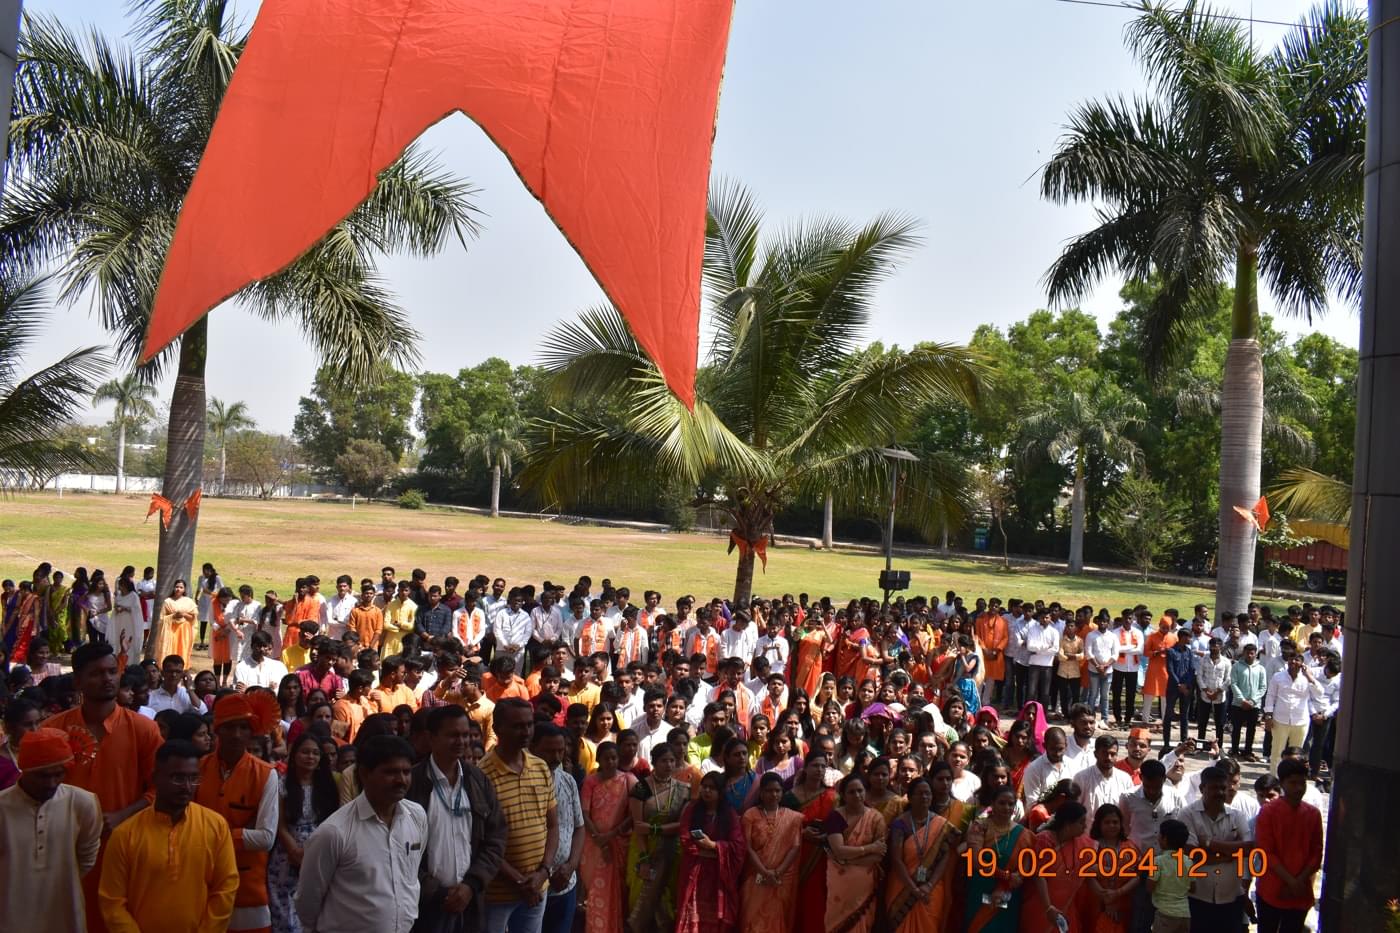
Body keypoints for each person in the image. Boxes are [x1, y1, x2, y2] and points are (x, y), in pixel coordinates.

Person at [44, 642, 163, 933]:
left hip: (124, 851)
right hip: (64, 852)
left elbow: (161, 789)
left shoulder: (143, 729)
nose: (108, 679)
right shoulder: (53, 730)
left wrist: (123, 815)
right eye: (96, 673)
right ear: (77, 681)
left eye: (112, 671)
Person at [98, 739, 239, 932]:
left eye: (193, 778)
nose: (187, 786)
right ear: (155, 778)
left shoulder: (216, 826)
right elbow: (112, 902)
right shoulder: (125, 834)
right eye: (178, 778)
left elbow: (226, 889)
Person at [295, 735, 428, 933]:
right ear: (365, 774)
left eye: (406, 772)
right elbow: (308, 901)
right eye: (391, 772)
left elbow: (410, 876)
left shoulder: (416, 817)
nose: (401, 780)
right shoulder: (334, 832)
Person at [407, 704, 509, 933]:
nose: (461, 741)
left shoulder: (477, 780)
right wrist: (433, 890)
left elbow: (496, 837)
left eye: (465, 735)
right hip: (424, 906)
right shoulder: (411, 783)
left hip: (470, 903)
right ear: (431, 738)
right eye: (452, 735)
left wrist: (471, 885)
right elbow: (399, 848)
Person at [0, 727, 103, 933]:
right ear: (25, 770)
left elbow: (87, 857)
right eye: (42, 776)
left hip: (65, 915)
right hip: (9, 918)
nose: (51, 783)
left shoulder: (83, 803)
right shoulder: (2, 807)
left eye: (58, 774)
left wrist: (63, 878)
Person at [196, 692, 281, 932]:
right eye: (230, 727)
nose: (236, 734)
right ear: (217, 730)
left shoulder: (266, 774)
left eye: (243, 727)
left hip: (247, 891)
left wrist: (213, 837)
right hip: (199, 881)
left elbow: (266, 837)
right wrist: (243, 835)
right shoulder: (198, 768)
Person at [480, 698, 559, 932]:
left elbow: (552, 825)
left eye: (529, 724)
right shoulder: (482, 775)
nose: (525, 732)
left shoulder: (540, 767)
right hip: (497, 893)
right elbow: (480, 840)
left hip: (536, 888)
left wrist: (543, 872)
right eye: (517, 726)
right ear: (497, 729)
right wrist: (518, 880)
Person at [268, 730, 338, 933]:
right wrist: (294, 850)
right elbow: (279, 824)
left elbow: (330, 821)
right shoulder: (282, 783)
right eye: (305, 752)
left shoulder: (327, 786)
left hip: (318, 852)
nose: (310, 757)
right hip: (286, 853)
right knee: (286, 916)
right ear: (294, 753)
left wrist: (313, 851)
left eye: (315, 753)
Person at [626, 742, 691, 932]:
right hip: (644, 850)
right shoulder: (641, 788)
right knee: (643, 899)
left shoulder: (684, 789)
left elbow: (683, 826)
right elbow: (639, 827)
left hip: (673, 851)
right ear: (654, 762)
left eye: (672, 760)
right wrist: (645, 859)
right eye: (664, 761)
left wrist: (654, 829)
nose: (669, 765)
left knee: (669, 899)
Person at [1253, 758, 1323, 933]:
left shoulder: (1312, 814)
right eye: (1293, 783)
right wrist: (1293, 882)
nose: (1299, 788)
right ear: (1282, 784)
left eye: (1302, 783)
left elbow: (1317, 852)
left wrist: (1297, 882)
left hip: (1299, 891)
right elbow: (1266, 851)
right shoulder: (1268, 812)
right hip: (1273, 888)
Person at [1177, 766, 1250, 929]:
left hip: (1231, 897)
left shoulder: (1237, 815)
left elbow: (1249, 848)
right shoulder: (1187, 814)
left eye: (1223, 788)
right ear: (1202, 788)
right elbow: (1194, 855)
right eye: (1214, 788)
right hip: (1197, 897)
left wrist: (1210, 844)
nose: (1220, 792)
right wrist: (1231, 853)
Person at [883, 775, 957, 933]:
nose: (924, 796)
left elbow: (945, 857)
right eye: (919, 793)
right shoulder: (900, 824)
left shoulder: (942, 825)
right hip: (902, 887)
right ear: (909, 797)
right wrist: (913, 889)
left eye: (928, 793)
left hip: (931, 888)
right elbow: (896, 859)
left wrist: (929, 886)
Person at [676, 771, 746, 933]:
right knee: (692, 913)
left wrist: (713, 845)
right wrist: (709, 852)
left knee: (715, 917)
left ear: (720, 792)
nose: (706, 791)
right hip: (695, 873)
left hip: (719, 875)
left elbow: (738, 846)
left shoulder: (729, 815)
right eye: (704, 787)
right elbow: (685, 838)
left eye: (712, 788)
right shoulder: (692, 810)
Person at [531, 724, 585, 933]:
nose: (556, 756)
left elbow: (579, 828)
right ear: (533, 748)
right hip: (533, 884)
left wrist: (571, 865)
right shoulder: (523, 783)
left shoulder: (568, 781)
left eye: (560, 751)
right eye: (549, 751)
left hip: (565, 882)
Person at [579, 741, 636, 933]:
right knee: (595, 892)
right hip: (593, 845)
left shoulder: (628, 780)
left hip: (618, 842)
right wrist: (598, 838)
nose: (611, 762)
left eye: (614, 758)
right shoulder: (590, 781)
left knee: (618, 892)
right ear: (599, 760)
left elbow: (634, 814)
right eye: (606, 758)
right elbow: (584, 813)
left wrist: (611, 835)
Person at [963, 784, 1034, 932]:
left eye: (1010, 804)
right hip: (981, 889)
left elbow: (1023, 871)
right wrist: (1006, 876)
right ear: (992, 804)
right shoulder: (979, 827)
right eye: (1001, 803)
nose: (1006, 807)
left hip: (1007, 895)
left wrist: (1006, 885)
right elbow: (976, 861)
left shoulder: (1024, 835)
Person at [822, 771, 887, 932]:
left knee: (863, 923)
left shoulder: (876, 818)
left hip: (864, 884)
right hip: (839, 881)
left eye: (860, 790)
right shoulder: (836, 817)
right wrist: (869, 848)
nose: (857, 795)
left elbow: (879, 856)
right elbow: (838, 850)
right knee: (836, 923)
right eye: (851, 792)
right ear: (843, 795)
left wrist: (849, 860)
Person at [738, 771, 802, 932]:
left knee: (776, 920)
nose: (773, 794)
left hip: (781, 878)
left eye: (777, 790)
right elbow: (748, 847)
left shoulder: (792, 818)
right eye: (768, 790)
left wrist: (777, 872)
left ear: (782, 793)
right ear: (761, 793)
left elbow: (795, 846)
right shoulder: (750, 815)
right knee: (751, 918)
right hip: (755, 875)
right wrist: (764, 872)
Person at [1021, 800, 1091, 932]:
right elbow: (1039, 875)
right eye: (1081, 822)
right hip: (1039, 905)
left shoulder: (1081, 842)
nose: (1085, 826)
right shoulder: (1044, 839)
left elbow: (1089, 869)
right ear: (1068, 824)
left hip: (1065, 906)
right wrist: (1048, 907)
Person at [1086, 803, 1141, 933]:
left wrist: (1117, 893)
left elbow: (1138, 875)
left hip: (1124, 902)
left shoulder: (1130, 846)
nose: (1112, 826)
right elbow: (1087, 876)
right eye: (1107, 822)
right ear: (1099, 824)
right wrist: (1106, 899)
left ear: (1121, 824)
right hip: (1096, 903)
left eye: (1115, 822)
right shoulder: (1091, 845)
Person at [1263, 649, 1321, 769]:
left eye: (1297, 660)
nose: (1293, 662)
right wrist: (1268, 716)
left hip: (1300, 721)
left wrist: (1309, 677)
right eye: (1291, 659)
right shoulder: (1278, 676)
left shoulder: (1307, 678)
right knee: (1277, 752)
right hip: (1280, 720)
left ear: (1302, 663)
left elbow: (1319, 693)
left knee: (1296, 755)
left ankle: (1291, 780)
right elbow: (1270, 696)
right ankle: (1275, 779)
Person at [1148, 819, 1192, 933]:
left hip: (1165, 914)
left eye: (1160, 835)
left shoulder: (1157, 861)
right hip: (1185, 914)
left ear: (1165, 839)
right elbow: (1193, 887)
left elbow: (1150, 887)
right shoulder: (1188, 861)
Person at [1229, 642, 1267, 760]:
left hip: (1253, 705)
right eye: (1247, 653)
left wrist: (1253, 701)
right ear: (1244, 653)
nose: (1249, 655)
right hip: (1238, 704)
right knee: (1236, 728)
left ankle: (1247, 752)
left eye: (1252, 653)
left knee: (1251, 729)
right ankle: (1234, 750)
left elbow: (1263, 687)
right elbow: (1233, 684)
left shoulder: (1261, 669)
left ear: (1256, 654)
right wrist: (1242, 700)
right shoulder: (1237, 666)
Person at [155, 580, 198, 668]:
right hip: (170, 630)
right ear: (174, 588)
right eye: (177, 587)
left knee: (182, 649)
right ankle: (168, 669)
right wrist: (173, 616)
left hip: (184, 631)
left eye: (181, 587)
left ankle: (182, 669)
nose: (178, 589)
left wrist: (184, 614)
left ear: (184, 589)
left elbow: (193, 618)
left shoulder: (189, 601)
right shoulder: (168, 601)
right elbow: (162, 618)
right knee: (171, 650)